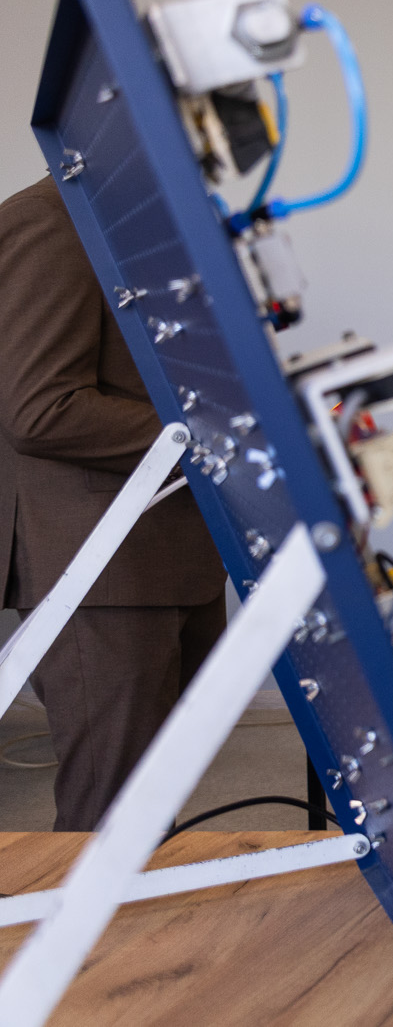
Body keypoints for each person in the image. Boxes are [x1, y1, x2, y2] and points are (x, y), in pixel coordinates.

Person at [0, 175, 224, 832]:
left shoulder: (144, 218)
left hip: (178, 545)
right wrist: (216, 437)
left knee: (152, 806)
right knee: (109, 817)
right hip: (99, 567)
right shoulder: (49, 221)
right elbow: (42, 409)